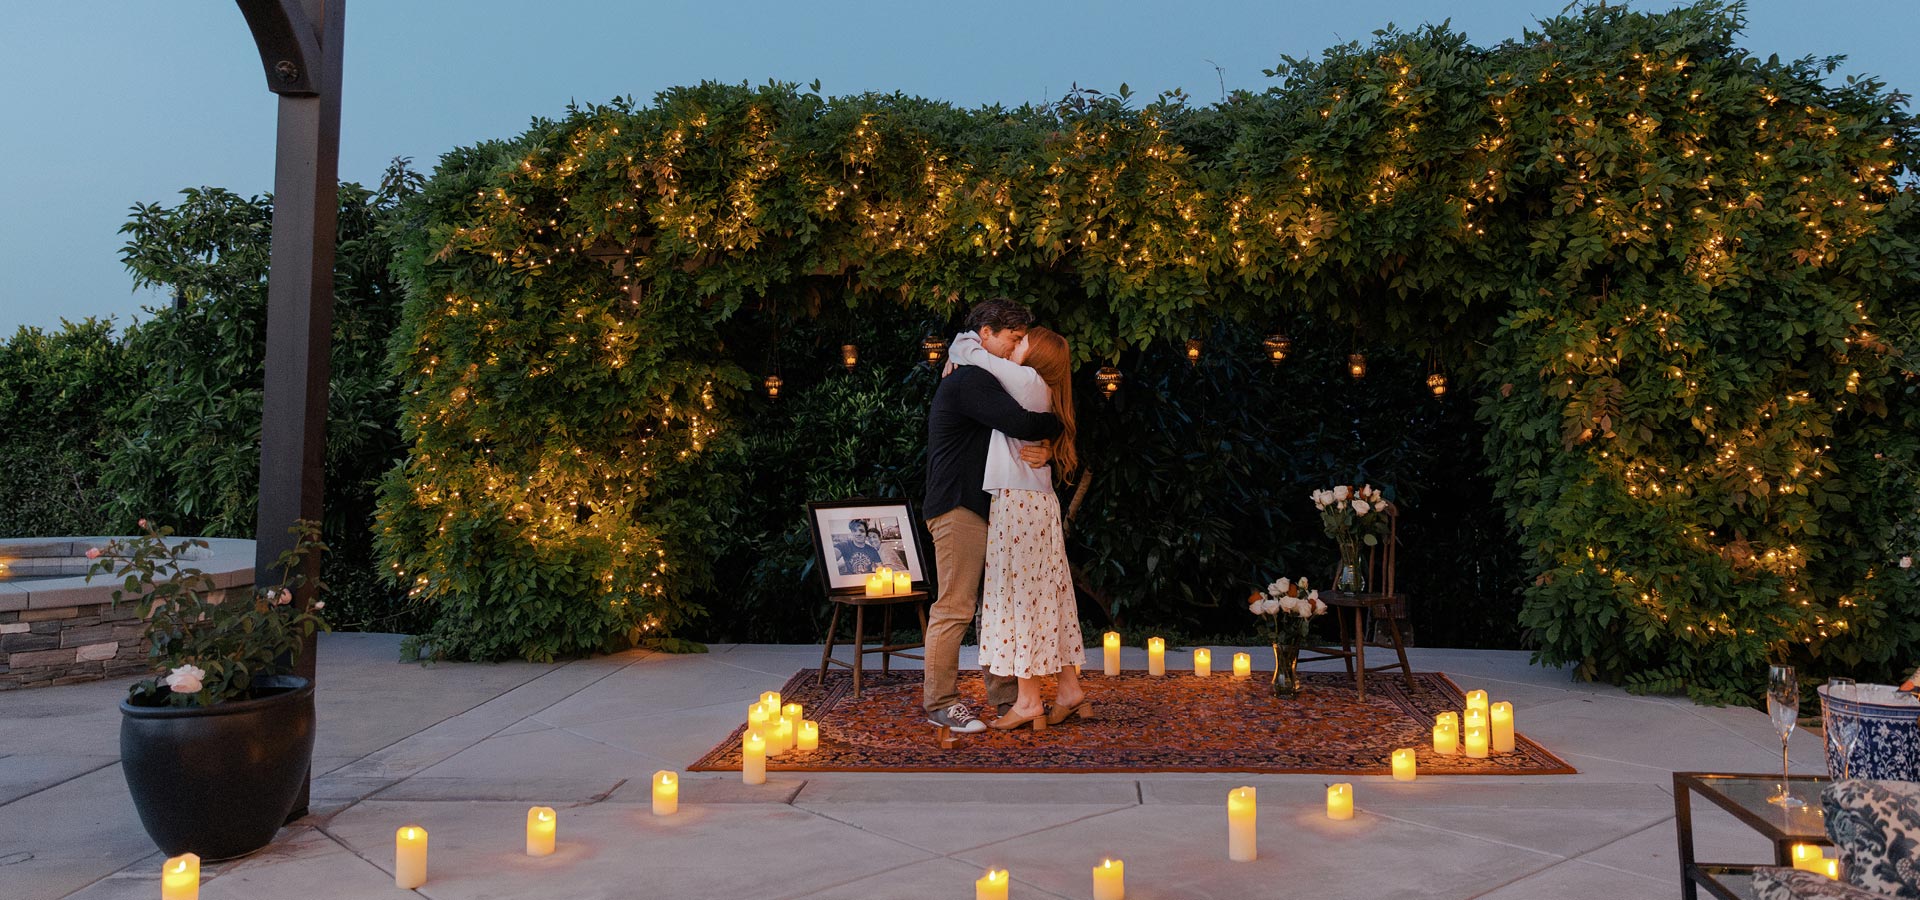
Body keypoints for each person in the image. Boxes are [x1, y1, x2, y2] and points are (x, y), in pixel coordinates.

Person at [922, 298, 1062, 734]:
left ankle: (1007, 699)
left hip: (989, 506)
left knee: (997, 608)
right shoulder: (970, 382)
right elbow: (1023, 421)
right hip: (958, 505)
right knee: (956, 607)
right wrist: (1054, 428)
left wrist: (1047, 450)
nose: (1017, 348)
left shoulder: (981, 372)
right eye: (1013, 339)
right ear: (986, 334)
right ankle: (941, 703)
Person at [945, 326, 1087, 730]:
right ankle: (1069, 688)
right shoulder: (1041, 388)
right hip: (1037, 502)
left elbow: (971, 351)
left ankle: (1027, 701)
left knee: (1019, 597)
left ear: (1036, 355)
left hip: (1018, 503)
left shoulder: (1025, 379)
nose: (1015, 345)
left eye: (1023, 341)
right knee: (1046, 594)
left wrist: (962, 346)